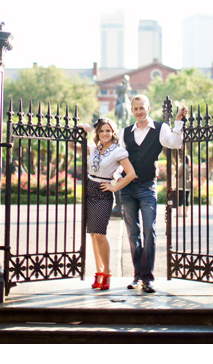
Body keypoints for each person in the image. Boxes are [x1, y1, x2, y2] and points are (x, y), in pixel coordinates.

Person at [118, 95, 187, 293]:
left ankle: (147, 278)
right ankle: (137, 274)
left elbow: (174, 143)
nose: (139, 111)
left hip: (147, 187)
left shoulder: (160, 128)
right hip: (127, 188)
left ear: (148, 107)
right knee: (133, 234)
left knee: (150, 231)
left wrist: (178, 123)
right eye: (136, 108)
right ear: (132, 111)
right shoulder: (125, 133)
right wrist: (116, 180)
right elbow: (119, 158)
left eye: (142, 108)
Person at [78, 118, 137, 291]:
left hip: (103, 193)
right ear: (98, 133)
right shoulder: (95, 149)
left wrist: (114, 187)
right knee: (93, 235)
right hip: (89, 190)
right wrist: (82, 129)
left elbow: (131, 173)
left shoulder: (117, 151)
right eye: (102, 131)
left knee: (100, 234)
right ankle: (99, 271)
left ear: (113, 133)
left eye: (108, 131)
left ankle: (108, 273)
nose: (105, 134)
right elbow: (72, 145)